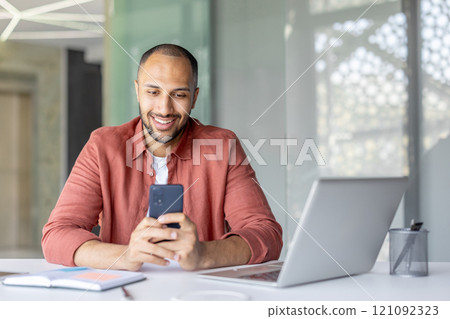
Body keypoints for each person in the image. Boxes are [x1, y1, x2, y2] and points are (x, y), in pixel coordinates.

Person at [42, 44, 282, 271]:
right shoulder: (102, 146)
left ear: (195, 98)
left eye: (178, 94)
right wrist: (126, 255)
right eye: (153, 92)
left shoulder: (223, 146)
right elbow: (56, 235)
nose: (164, 108)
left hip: (199, 296)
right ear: (137, 91)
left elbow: (266, 234)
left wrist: (204, 254)